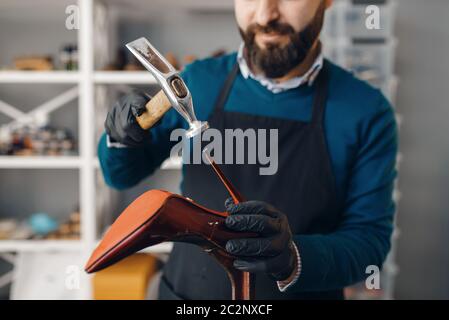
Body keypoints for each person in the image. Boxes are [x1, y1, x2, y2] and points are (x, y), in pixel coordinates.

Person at [99, 0, 398, 299]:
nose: (267, 14)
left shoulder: (366, 111)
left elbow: (369, 243)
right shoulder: (199, 82)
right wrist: (120, 136)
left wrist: (294, 257)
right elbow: (121, 175)